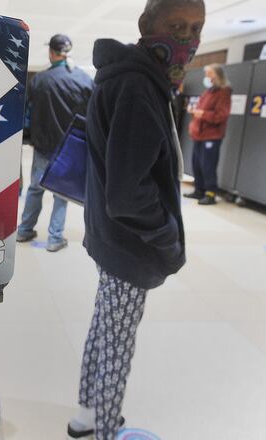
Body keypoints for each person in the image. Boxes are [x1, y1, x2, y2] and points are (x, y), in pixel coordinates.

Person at [68, 0, 204, 438]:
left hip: (111, 238)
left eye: (196, 28)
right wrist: (168, 239)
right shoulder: (139, 86)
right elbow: (129, 195)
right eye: (176, 25)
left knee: (104, 327)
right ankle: (108, 431)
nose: (186, 38)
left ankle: (86, 416)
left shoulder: (130, 77)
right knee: (118, 345)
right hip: (130, 244)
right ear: (146, 24)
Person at [16, 34, 93, 252]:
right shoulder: (84, 79)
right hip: (70, 148)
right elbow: (93, 114)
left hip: (43, 147)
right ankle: (54, 238)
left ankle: (24, 230)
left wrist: (27, 137)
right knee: (61, 192)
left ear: (51, 52)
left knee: (35, 188)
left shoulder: (40, 80)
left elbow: (27, 113)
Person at [185, 63, 231, 205]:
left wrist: (202, 114)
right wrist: (195, 112)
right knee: (197, 164)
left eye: (209, 74)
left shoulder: (224, 92)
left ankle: (210, 194)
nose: (206, 77)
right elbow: (201, 110)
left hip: (212, 135)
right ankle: (199, 190)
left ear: (217, 76)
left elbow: (221, 116)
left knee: (208, 165)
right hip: (199, 134)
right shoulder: (208, 92)